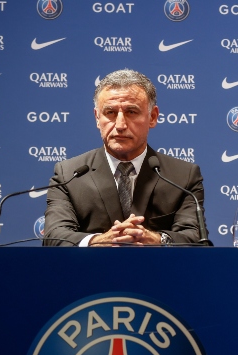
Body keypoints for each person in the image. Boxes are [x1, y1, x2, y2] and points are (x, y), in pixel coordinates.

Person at [43, 69, 208, 246]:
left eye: (131, 112)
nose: (120, 125)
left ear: (152, 117)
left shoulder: (183, 176)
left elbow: (196, 238)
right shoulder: (69, 174)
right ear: (97, 118)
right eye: (110, 112)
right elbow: (54, 236)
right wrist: (97, 241)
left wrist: (157, 240)